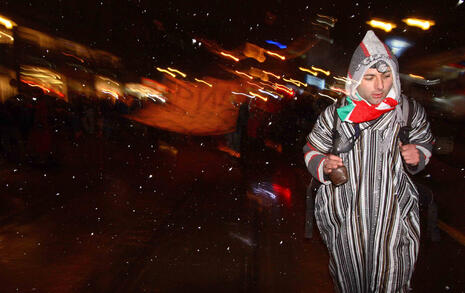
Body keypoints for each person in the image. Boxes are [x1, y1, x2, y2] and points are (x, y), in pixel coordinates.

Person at [303, 30, 434, 292]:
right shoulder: (337, 114)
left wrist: (418, 154)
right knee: (350, 281)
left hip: (395, 219)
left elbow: (425, 142)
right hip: (345, 219)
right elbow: (311, 149)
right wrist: (324, 166)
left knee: (392, 281)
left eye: (386, 77)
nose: (380, 86)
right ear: (355, 79)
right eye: (370, 77)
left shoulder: (407, 112)